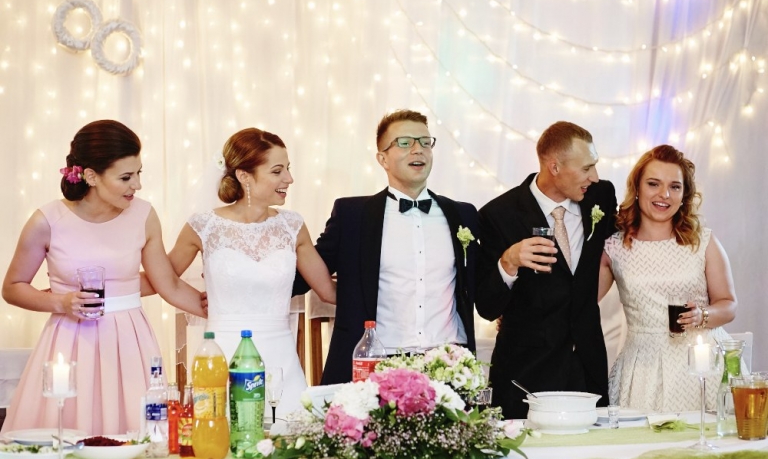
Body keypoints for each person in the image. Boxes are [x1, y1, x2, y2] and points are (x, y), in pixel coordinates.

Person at [1, 119, 206, 435]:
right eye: (126, 177)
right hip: (70, 341)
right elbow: (12, 287)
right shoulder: (47, 220)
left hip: (131, 341)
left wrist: (222, 310)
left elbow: (169, 284)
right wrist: (62, 302)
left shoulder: (144, 215)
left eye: (138, 173)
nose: (137, 185)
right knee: (66, 436)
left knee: (137, 437)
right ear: (91, 176)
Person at [293, 109, 478, 385]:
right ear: (382, 159)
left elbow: (481, 285)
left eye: (425, 142)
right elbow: (306, 272)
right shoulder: (352, 215)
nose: (418, 149)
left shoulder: (463, 214)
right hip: (375, 364)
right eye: (405, 142)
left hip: (448, 363)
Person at [163, 128, 335, 417]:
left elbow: (327, 291)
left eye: (288, 169)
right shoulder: (203, 225)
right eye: (277, 171)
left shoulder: (293, 225)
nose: (289, 179)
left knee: (290, 433)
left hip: (281, 357)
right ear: (244, 176)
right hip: (223, 352)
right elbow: (165, 279)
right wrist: (204, 304)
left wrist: (385, 294)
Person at [476, 121, 617, 419]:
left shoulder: (601, 196)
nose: (594, 176)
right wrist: (509, 261)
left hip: (587, 370)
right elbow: (487, 306)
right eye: (586, 168)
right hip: (525, 376)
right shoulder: (498, 215)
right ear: (554, 167)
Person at [598, 144, 737, 412]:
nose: (664, 194)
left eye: (675, 186)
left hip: (701, 365)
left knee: (707, 436)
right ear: (637, 188)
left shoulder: (702, 241)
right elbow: (581, 302)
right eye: (653, 184)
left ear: (684, 194)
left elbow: (729, 304)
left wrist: (702, 315)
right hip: (643, 369)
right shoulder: (614, 247)